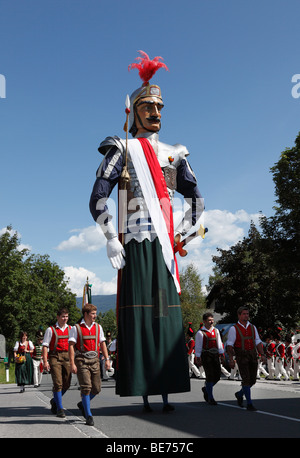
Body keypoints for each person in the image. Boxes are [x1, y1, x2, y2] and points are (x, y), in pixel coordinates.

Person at [89, 51, 204, 412]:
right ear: (135, 112)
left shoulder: (176, 153)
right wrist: (110, 236)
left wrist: (184, 233)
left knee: (166, 315)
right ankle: (142, 390)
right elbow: (97, 196)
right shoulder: (121, 147)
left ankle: (167, 387)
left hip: (165, 248)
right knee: (140, 315)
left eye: (160, 108)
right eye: (148, 107)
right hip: (135, 243)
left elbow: (197, 201)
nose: (156, 114)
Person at [69, 303, 110, 426]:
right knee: (86, 387)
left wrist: (107, 359)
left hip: (95, 359)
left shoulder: (98, 327)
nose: (95, 316)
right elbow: (71, 346)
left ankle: (83, 404)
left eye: (95, 313)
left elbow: (102, 344)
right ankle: (88, 415)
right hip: (81, 360)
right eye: (92, 314)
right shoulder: (76, 328)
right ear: (86, 314)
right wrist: (72, 363)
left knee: (96, 388)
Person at [227, 306, 266, 411]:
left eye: (247, 314)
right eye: (244, 314)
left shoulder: (253, 327)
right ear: (239, 315)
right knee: (246, 379)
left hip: (252, 355)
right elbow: (229, 345)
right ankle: (249, 403)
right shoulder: (233, 328)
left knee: (253, 380)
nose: (246, 316)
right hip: (241, 356)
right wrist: (231, 359)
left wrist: (262, 354)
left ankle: (240, 394)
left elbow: (258, 341)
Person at [42, 308, 72, 418]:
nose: (65, 319)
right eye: (63, 317)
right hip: (55, 356)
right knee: (58, 383)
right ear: (58, 317)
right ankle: (60, 408)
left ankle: (54, 400)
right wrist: (45, 361)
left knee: (67, 383)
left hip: (68, 357)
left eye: (67, 317)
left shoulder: (71, 329)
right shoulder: (50, 330)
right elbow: (45, 346)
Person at [195, 313, 225, 405]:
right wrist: (198, 357)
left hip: (215, 355)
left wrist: (222, 354)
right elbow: (198, 347)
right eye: (209, 320)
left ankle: (206, 388)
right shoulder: (200, 333)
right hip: (206, 355)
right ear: (204, 321)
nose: (211, 322)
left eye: (212, 320)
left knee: (217, 376)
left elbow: (219, 343)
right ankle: (210, 397)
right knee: (210, 376)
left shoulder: (216, 331)